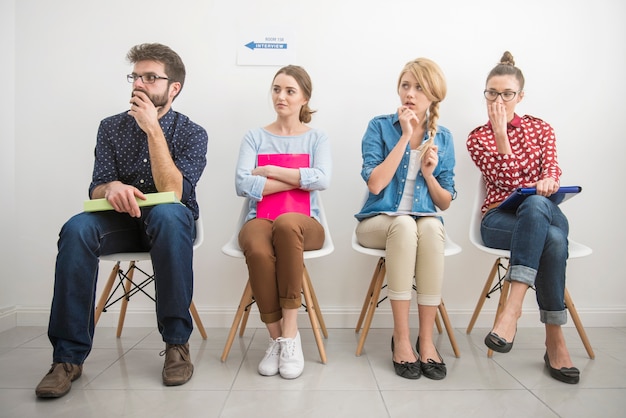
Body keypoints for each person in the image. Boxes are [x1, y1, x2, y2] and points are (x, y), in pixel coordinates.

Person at [35, 43, 208, 398]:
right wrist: (111, 187)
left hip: (169, 226)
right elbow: (96, 187)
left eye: (150, 77)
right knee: (76, 228)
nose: (138, 85)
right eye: (135, 77)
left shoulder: (192, 133)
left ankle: (177, 345)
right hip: (120, 224)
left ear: (173, 87)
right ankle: (66, 358)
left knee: (169, 213)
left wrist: (152, 131)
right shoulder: (110, 127)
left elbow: (174, 191)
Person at [466, 51, 580, 384]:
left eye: (506, 94)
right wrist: (500, 135)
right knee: (553, 238)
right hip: (499, 221)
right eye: (491, 93)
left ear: (520, 96)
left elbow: (553, 170)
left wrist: (549, 181)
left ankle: (511, 308)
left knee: (536, 207)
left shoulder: (541, 129)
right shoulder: (478, 137)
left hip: (542, 215)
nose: (498, 101)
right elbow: (509, 184)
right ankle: (555, 341)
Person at [355, 58, 456, 380]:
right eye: (405, 85)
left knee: (429, 226)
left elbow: (445, 202)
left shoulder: (445, 137)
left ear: (434, 94)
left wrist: (429, 175)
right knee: (403, 223)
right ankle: (401, 337)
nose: (409, 94)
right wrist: (405, 137)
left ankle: (425, 340)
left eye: (418, 87)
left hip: (421, 224)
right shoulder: (380, 126)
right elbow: (375, 183)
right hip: (378, 222)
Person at [235, 65, 331, 379]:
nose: (281, 96)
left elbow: (323, 179)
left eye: (290, 91)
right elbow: (243, 185)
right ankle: (277, 339)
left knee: (288, 224)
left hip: (306, 225)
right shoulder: (255, 137)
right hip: (260, 218)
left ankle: (290, 335)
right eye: (277, 89)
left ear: (305, 98)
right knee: (257, 246)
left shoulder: (317, 138)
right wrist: (299, 180)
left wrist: (270, 171)